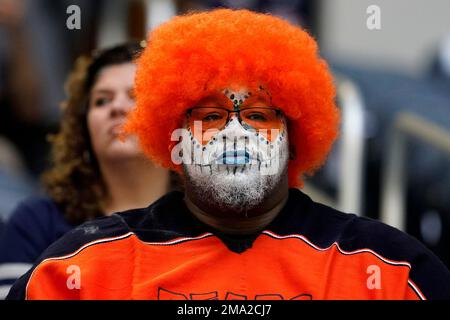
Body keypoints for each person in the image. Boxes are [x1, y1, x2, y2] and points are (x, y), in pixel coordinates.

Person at [7, 9, 450, 300]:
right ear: (174, 137)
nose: (235, 132)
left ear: (295, 138)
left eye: (258, 115)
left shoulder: (387, 268)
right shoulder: (83, 268)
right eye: (212, 116)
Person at [0, 42, 172, 298]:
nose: (117, 107)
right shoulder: (37, 222)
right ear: (84, 130)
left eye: (134, 96)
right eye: (102, 100)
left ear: (172, 119)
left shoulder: (208, 218)